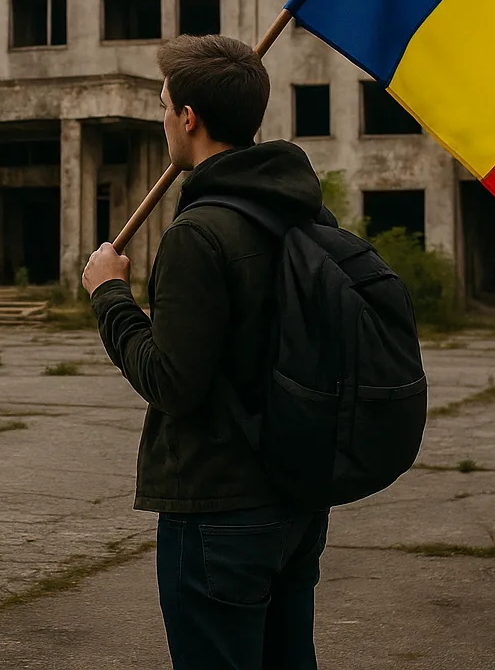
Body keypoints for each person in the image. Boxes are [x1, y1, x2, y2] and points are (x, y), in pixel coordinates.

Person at [81, 34, 330, 670]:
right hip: (295, 497)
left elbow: (172, 381)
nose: (164, 117)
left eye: (164, 104)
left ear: (187, 118)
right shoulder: (301, 216)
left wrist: (111, 296)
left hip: (219, 507)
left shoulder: (199, 234)